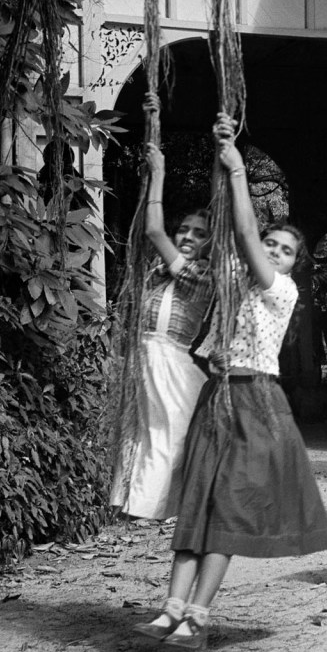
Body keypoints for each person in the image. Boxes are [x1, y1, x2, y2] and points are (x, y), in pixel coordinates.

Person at [135, 113, 327, 651]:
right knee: (198, 501)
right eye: (272, 243)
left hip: (256, 400)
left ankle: (197, 614)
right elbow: (159, 235)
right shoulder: (230, 282)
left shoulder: (280, 291)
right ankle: (172, 609)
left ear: (296, 265)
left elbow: (243, 232)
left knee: (224, 510)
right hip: (215, 400)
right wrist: (158, 171)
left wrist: (238, 168)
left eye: (285, 250)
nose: (273, 252)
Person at [110, 132, 214, 521]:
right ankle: (131, 503)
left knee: (167, 436)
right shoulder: (158, 273)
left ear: (209, 244)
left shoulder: (203, 277)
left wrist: (158, 173)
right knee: (139, 432)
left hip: (170, 361)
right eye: (184, 229)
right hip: (144, 356)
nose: (187, 237)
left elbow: (153, 231)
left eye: (199, 233)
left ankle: (155, 507)